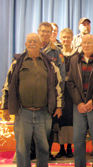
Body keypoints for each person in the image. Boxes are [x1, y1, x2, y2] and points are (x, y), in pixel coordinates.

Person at [1, 33, 63, 167]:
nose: (32, 43)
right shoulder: (17, 63)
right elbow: (7, 86)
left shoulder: (50, 64)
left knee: (43, 147)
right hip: (23, 113)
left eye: (35, 41)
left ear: (41, 44)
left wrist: (58, 106)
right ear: (26, 44)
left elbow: (57, 86)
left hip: (44, 113)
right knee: (22, 148)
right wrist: (5, 108)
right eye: (30, 41)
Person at [66, 34, 93, 167]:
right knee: (78, 140)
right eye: (84, 43)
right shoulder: (74, 60)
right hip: (79, 106)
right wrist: (79, 102)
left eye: (89, 43)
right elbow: (70, 82)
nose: (86, 45)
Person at [37, 21, 65, 160]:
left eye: (48, 31)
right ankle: (33, 152)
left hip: (50, 97)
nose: (45, 34)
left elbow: (62, 76)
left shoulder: (56, 52)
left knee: (48, 127)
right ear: (38, 32)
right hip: (34, 96)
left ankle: (46, 153)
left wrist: (60, 101)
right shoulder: (31, 48)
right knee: (33, 128)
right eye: (43, 31)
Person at [54, 28, 78, 158]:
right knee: (60, 119)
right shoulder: (57, 53)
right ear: (60, 38)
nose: (66, 40)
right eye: (64, 37)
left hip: (71, 94)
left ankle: (69, 147)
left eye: (68, 37)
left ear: (72, 38)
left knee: (71, 119)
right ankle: (61, 148)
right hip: (59, 92)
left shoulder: (77, 54)